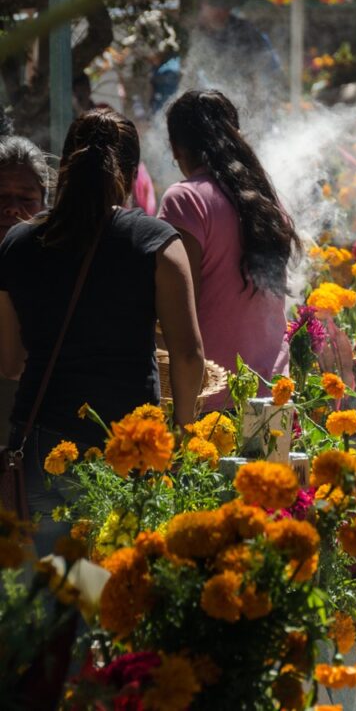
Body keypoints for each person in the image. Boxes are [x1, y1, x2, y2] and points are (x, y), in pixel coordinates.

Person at [0, 107, 204, 557]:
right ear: (131, 175)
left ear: (65, 168)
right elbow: (188, 356)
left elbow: (11, 362)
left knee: (52, 597)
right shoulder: (156, 243)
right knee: (113, 594)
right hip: (125, 448)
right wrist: (185, 433)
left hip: (41, 447)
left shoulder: (16, 244)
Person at [159, 90, 300, 410]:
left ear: (176, 148)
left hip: (212, 406)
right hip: (273, 400)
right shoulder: (263, 200)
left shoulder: (184, 199)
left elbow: (178, 308)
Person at [0, 136, 50, 446]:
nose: (12, 209)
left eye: (26, 198)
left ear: (45, 203)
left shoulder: (59, 267)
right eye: (1, 196)